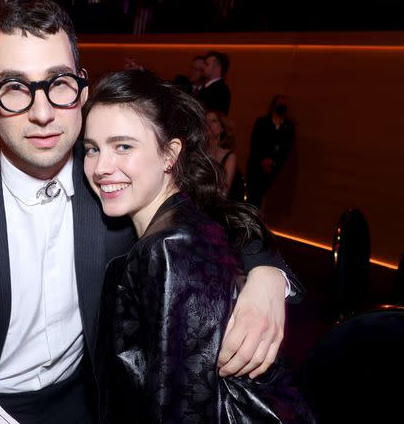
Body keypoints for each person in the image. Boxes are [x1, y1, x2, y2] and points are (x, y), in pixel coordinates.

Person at [0, 0, 303, 423]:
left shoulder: (112, 182)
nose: (42, 113)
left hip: (91, 406)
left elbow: (214, 217)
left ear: (81, 87)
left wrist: (268, 276)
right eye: (16, 87)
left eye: (57, 83)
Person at [83, 69, 313, 423]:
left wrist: (268, 271)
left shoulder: (169, 247)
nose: (101, 167)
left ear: (169, 154)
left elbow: (181, 406)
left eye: (123, 146)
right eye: (92, 149)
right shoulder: (187, 220)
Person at [246, 94, 295, 208]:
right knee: (253, 198)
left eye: (285, 104)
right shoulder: (262, 122)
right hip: (256, 167)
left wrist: (273, 161)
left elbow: (286, 149)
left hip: (274, 170)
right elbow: (255, 143)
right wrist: (263, 160)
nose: (282, 106)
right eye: (280, 103)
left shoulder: (288, 127)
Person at [206, 109, 246, 201]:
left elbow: (224, 192)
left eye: (214, 121)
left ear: (222, 128)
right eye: (206, 121)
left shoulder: (230, 156)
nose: (208, 124)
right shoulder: (199, 152)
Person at [197, 50, 231, 115]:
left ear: (217, 67)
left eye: (207, 64)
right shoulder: (206, 87)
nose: (203, 67)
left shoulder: (220, 90)